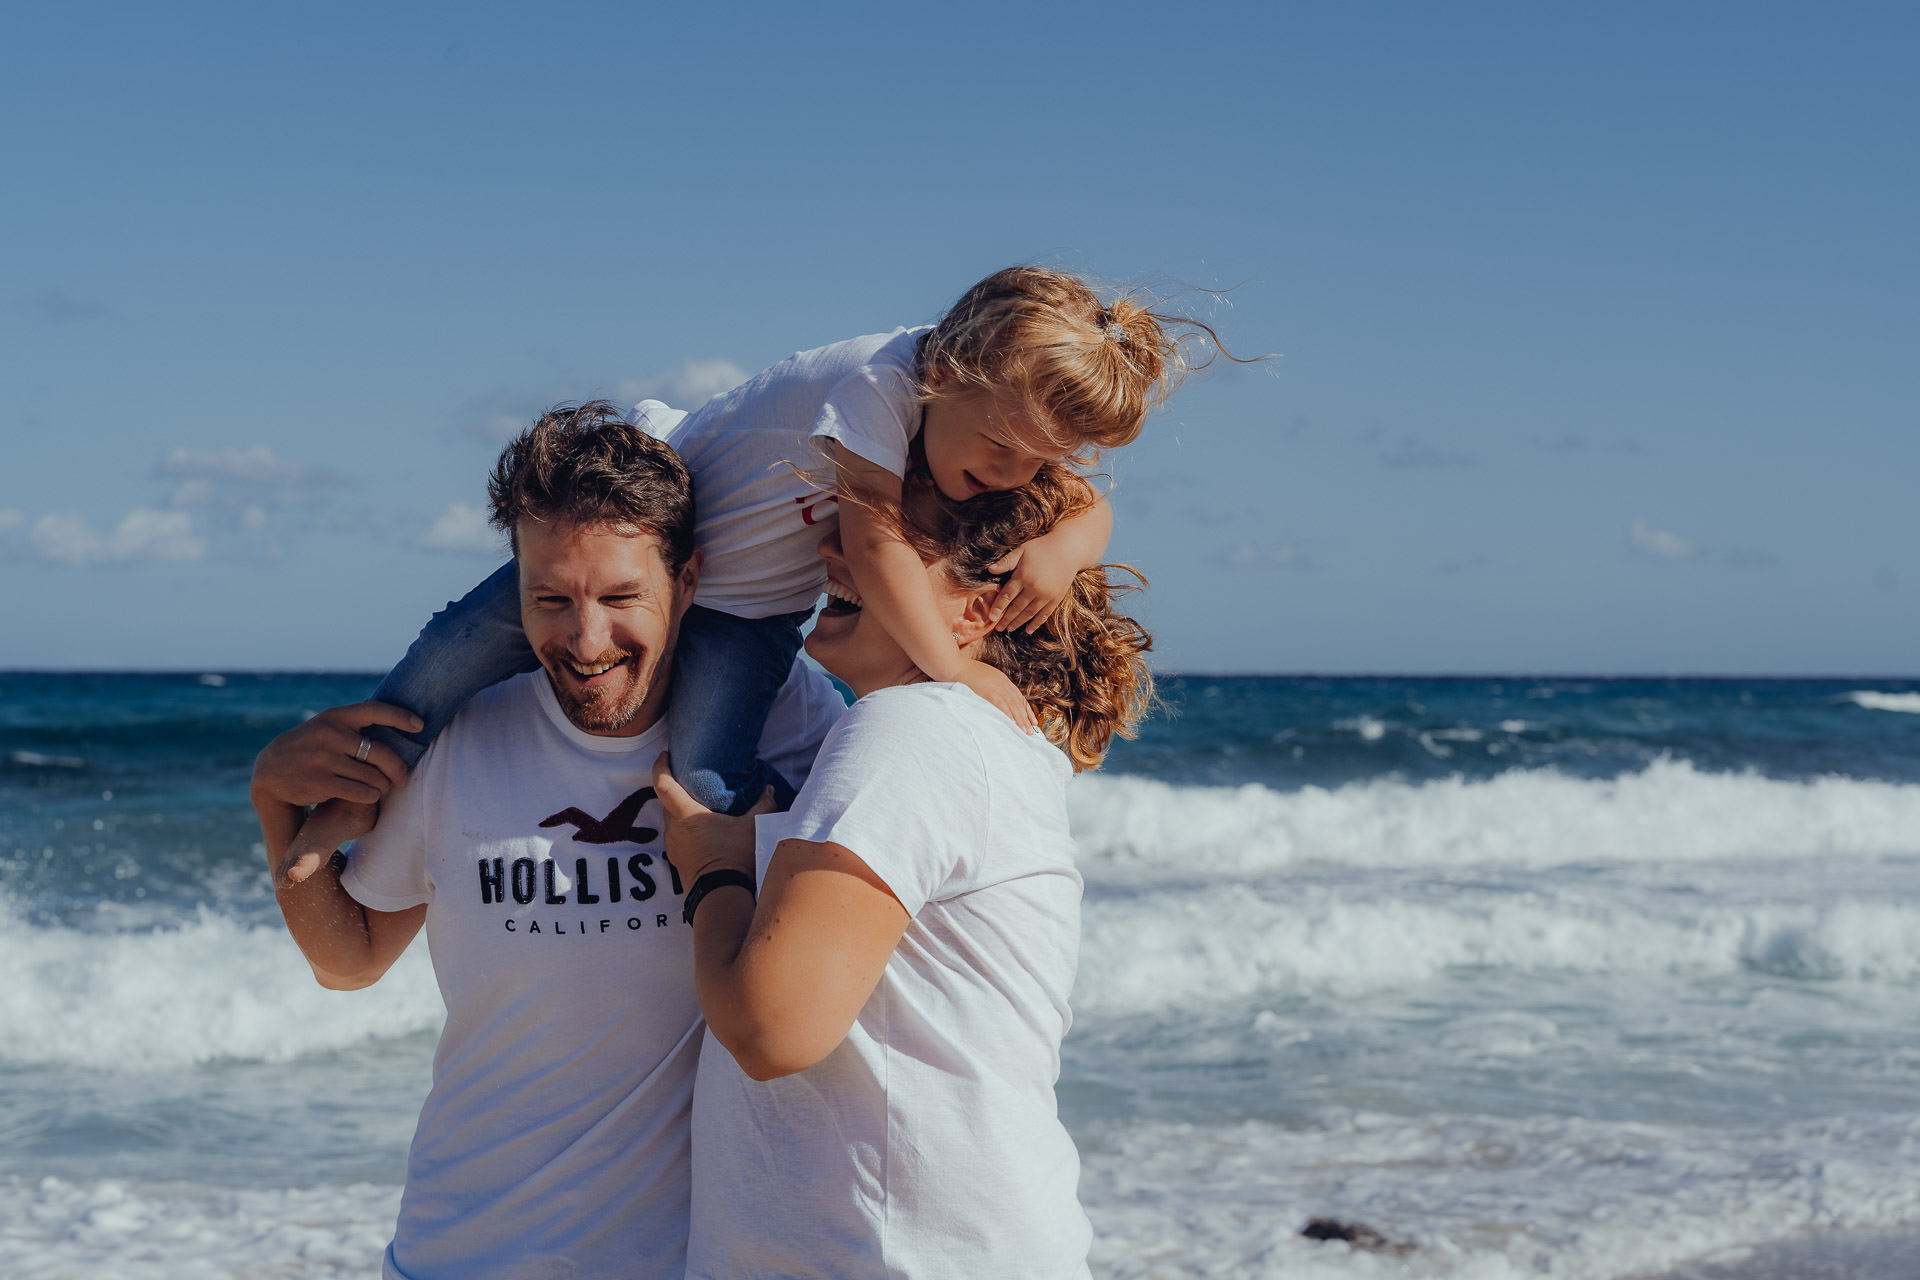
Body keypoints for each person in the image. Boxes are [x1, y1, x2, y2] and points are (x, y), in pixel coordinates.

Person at [276, 265, 1221, 883]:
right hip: (648, 547)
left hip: (751, 613)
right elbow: (880, 542)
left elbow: (1083, 501)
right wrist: (955, 667)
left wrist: (1061, 548)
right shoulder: (880, 388)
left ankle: (770, 892)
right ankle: (348, 797)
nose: (1014, 478)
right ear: (952, 377)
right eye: (1004, 452)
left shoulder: (993, 421)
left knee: (705, 774)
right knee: (450, 654)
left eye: (1033, 463)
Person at [248, 405, 847, 1280]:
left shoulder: (787, 720)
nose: (586, 639)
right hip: (457, 1253)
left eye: (619, 597)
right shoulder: (462, 734)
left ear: (687, 580)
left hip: (690, 1261)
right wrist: (276, 812)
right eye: (552, 599)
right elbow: (352, 959)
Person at [653, 465, 1155, 1278]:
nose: (831, 549)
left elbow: (770, 1029)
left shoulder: (911, 729)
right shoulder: (974, 737)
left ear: (977, 605)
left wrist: (712, 871)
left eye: (879, 542)